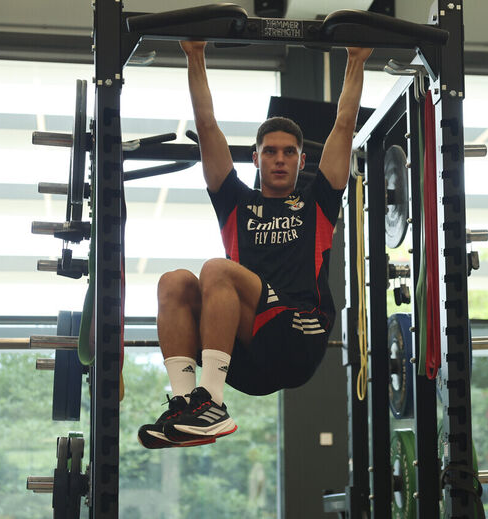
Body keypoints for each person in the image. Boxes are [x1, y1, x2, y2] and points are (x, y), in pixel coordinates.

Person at [138, 41, 372, 449]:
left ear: (302, 162)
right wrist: (194, 55)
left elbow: (344, 125)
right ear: (255, 159)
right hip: (247, 353)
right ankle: (184, 406)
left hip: (300, 335)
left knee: (216, 269)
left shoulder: (318, 202)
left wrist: (356, 59)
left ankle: (211, 404)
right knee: (173, 282)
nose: (279, 159)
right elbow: (206, 125)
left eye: (289, 153)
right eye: (270, 152)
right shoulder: (235, 201)